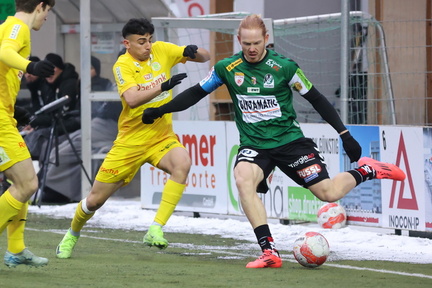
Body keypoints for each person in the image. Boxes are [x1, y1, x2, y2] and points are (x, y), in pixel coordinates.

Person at [141, 14, 406, 268]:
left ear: (266, 38)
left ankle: (368, 169)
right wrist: (160, 109)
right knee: (243, 180)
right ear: (239, 40)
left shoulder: (285, 67)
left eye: (257, 43)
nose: (252, 49)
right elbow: (196, 93)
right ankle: (269, 251)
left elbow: (317, 99)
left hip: (290, 142)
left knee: (329, 193)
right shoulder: (227, 68)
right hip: (254, 145)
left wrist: (344, 133)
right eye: (247, 44)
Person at [55, 18, 210, 258]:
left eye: (149, 40)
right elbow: (133, 99)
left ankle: (155, 229)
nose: (148, 46)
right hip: (130, 142)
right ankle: (72, 234)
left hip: (161, 137)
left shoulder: (162, 50)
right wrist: (164, 86)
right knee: (95, 201)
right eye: (141, 42)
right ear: (126, 43)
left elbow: (206, 57)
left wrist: (194, 51)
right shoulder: (122, 65)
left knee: (183, 164)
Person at [0, 0, 56, 268]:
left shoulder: (9, 27)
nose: (46, 19)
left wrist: (16, 110)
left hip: (5, 117)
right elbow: (5, 52)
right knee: (28, 184)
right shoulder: (16, 27)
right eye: (48, 13)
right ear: (40, 6)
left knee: (20, 184)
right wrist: (30, 66)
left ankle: (16, 248)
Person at [41, 55, 120, 203]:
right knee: (57, 147)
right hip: (96, 123)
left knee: (66, 150)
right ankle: (51, 186)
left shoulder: (102, 84)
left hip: (109, 126)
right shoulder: (87, 84)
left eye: (90, 68)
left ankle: (54, 189)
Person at [23, 52, 80, 161]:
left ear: (60, 69)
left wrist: (37, 122)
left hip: (68, 126)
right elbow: (43, 110)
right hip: (57, 125)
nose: (49, 73)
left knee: (40, 140)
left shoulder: (68, 84)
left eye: (53, 68)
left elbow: (61, 113)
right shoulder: (48, 84)